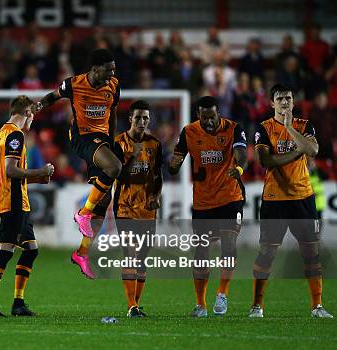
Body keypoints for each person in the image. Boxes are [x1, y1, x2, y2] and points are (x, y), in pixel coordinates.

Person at [33, 48, 121, 278]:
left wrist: (110, 143)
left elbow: (112, 115)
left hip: (101, 140)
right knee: (115, 167)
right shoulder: (74, 84)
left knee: (105, 199)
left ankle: (81, 253)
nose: (112, 73)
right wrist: (39, 106)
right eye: (108, 69)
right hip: (82, 136)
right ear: (95, 69)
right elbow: (53, 95)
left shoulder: (113, 87)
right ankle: (84, 212)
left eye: (114, 69)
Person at [250, 84, 332, 318]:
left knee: (311, 254)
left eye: (288, 98)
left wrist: (289, 128)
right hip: (274, 198)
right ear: (272, 103)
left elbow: (314, 150)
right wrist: (298, 151)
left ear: (293, 102)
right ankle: (257, 306)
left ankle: (317, 306)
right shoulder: (264, 128)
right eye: (280, 99)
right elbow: (266, 161)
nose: (284, 102)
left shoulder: (304, 125)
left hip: (303, 197)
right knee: (267, 253)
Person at [169, 96, 247, 317]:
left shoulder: (233, 128)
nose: (209, 122)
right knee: (201, 251)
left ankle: (222, 293)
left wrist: (239, 168)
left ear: (218, 113)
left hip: (230, 196)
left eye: (212, 117)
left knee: (228, 244)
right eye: (204, 118)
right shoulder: (189, 132)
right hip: (203, 202)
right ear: (198, 116)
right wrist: (172, 164)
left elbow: (242, 154)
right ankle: (201, 305)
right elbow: (175, 161)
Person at [0, 95, 54, 317]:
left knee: (30, 250)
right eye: (33, 115)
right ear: (28, 113)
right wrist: (40, 172)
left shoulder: (1, 132)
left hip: (14, 198)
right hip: (12, 201)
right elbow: (11, 171)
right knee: (6, 249)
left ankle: (18, 303)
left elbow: (8, 173)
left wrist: (37, 178)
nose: (33, 121)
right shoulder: (15, 135)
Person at [113, 101, 163, 317]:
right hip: (124, 206)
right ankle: (131, 306)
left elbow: (157, 175)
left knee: (142, 257)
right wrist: (133, 155)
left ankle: (135, 304)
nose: (142, 122)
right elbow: (119, 175)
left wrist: (155, 195)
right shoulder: (118, 143)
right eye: (138, 118)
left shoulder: (155, 144)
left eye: (145, 118)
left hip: (147, 208)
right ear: (130, 119)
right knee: (130, 254)